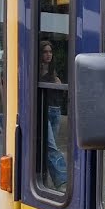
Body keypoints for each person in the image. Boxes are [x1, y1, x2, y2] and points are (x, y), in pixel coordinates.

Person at [39, 39, 68, 188]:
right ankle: (62, 180)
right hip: (44, 112)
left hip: (55, 111)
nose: (48, 55)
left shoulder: (53, 73)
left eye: (50, 52)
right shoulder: (37, 73)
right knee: (51, 147)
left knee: (49, 147)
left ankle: (45, 177)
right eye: (45, 52)